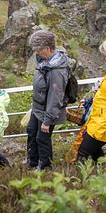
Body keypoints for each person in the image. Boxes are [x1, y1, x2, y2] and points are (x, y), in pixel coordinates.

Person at [27, 30, 71, 171]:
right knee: (31, 131)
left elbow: (55, 96)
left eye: (38, 51)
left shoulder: (56, 70)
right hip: (38, 107)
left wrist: (48, 120)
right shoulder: (45, 62)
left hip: (47, 111)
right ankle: (32, 162)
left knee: (42, 138)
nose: (36, 54)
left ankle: (45, 167)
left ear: (47, 49)